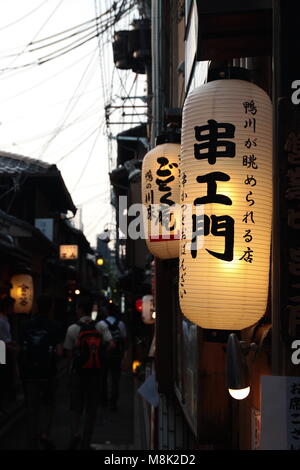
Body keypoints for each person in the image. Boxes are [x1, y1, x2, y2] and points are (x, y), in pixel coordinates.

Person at [64, 296, 113, 450]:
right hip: (95, 373)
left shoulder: (72, 328)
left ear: (79, 309)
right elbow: (112, 344)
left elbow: (68, 352)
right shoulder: (100, 327)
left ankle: (75, 434)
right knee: (91, 408)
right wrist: (100, 355)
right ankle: (86, 442)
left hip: (78, 373)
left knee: (75, 407)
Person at [18, 294, 64, 450]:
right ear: (50, 308)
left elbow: (19, 349)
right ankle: (44, 434)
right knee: (48, 405)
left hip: (30, 373)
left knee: (32, 408)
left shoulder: (25, 325)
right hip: (48, 372)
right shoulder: (56, 326)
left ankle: (31, 439)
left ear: (36, 306)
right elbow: (59, 352)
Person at [98, 302, 127, 411]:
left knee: (103, 378)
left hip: (104, 355)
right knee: (115, 379)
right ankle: (113, 402)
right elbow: (124, 339)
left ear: (106, 312)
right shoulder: (121, 324)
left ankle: (103, 400)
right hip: (116, 355)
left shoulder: (101, 324)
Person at [0, 296, 15, 416]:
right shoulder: (1, 319)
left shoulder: (5, 318)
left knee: (7, 375)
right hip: (2, 349)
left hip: (7, 348)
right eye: (11, 307)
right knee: (3, 375)